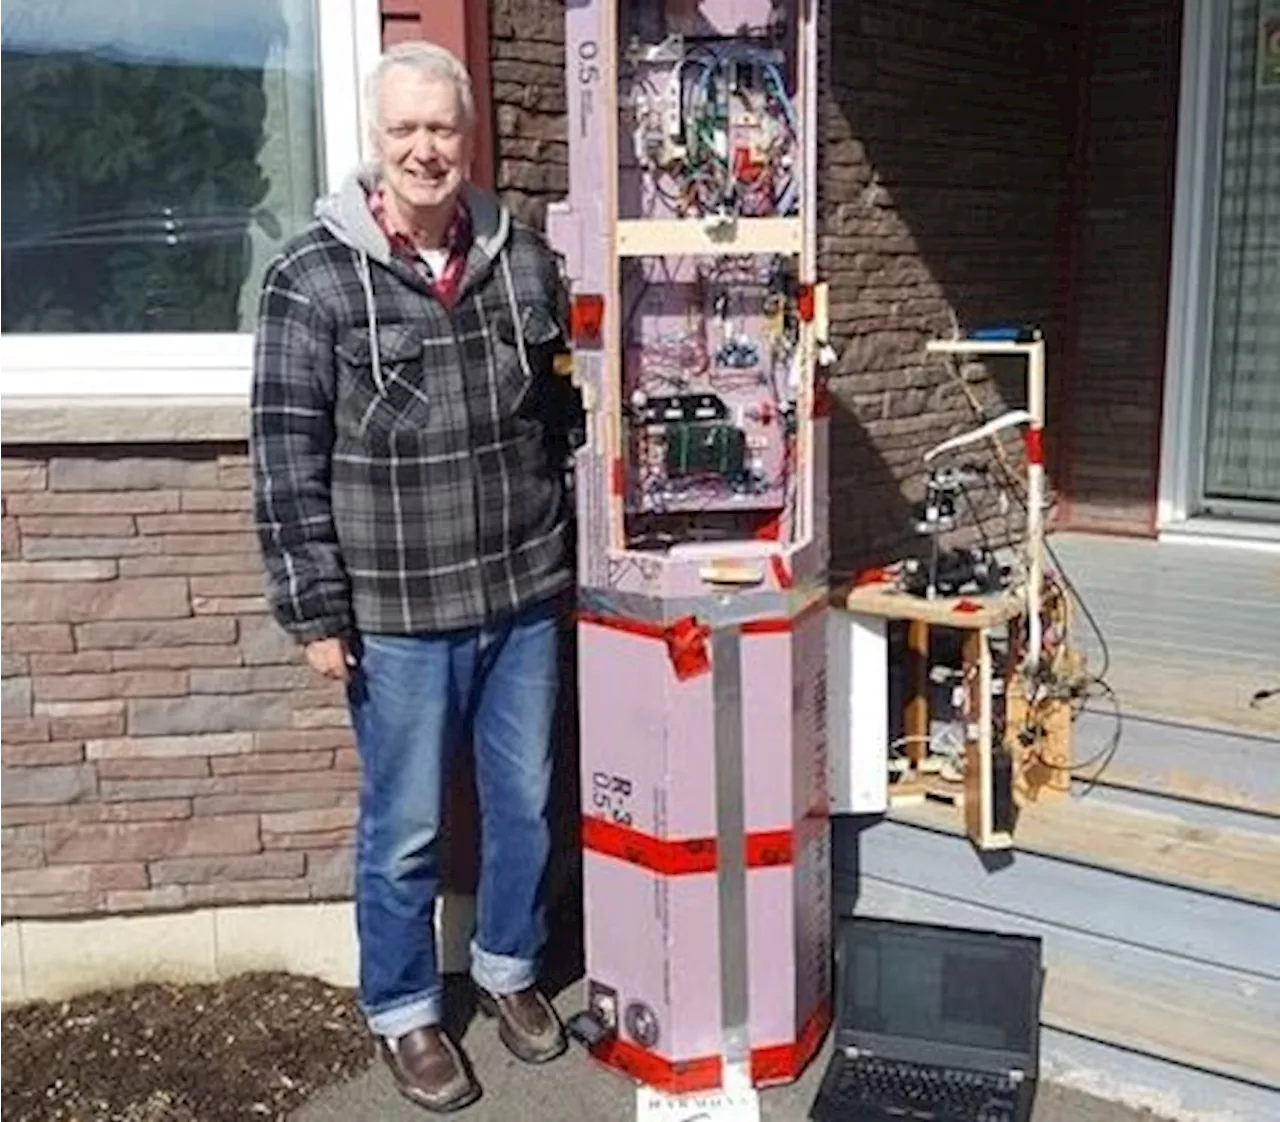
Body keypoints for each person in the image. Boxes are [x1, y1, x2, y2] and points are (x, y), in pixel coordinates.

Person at [250, 40, 576, 1114]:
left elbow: (558, 419)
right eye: (405, 131)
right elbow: (285, 456)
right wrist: (313, 609)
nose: (426, 149)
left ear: (466, 136)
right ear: (375, 142)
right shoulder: (312, 276)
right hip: (393, 614)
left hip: (520, 592)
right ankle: (400, 1008)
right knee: (404, 829)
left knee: (524, 805)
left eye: (441, 128)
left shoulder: (521, 256)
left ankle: (507, 970)